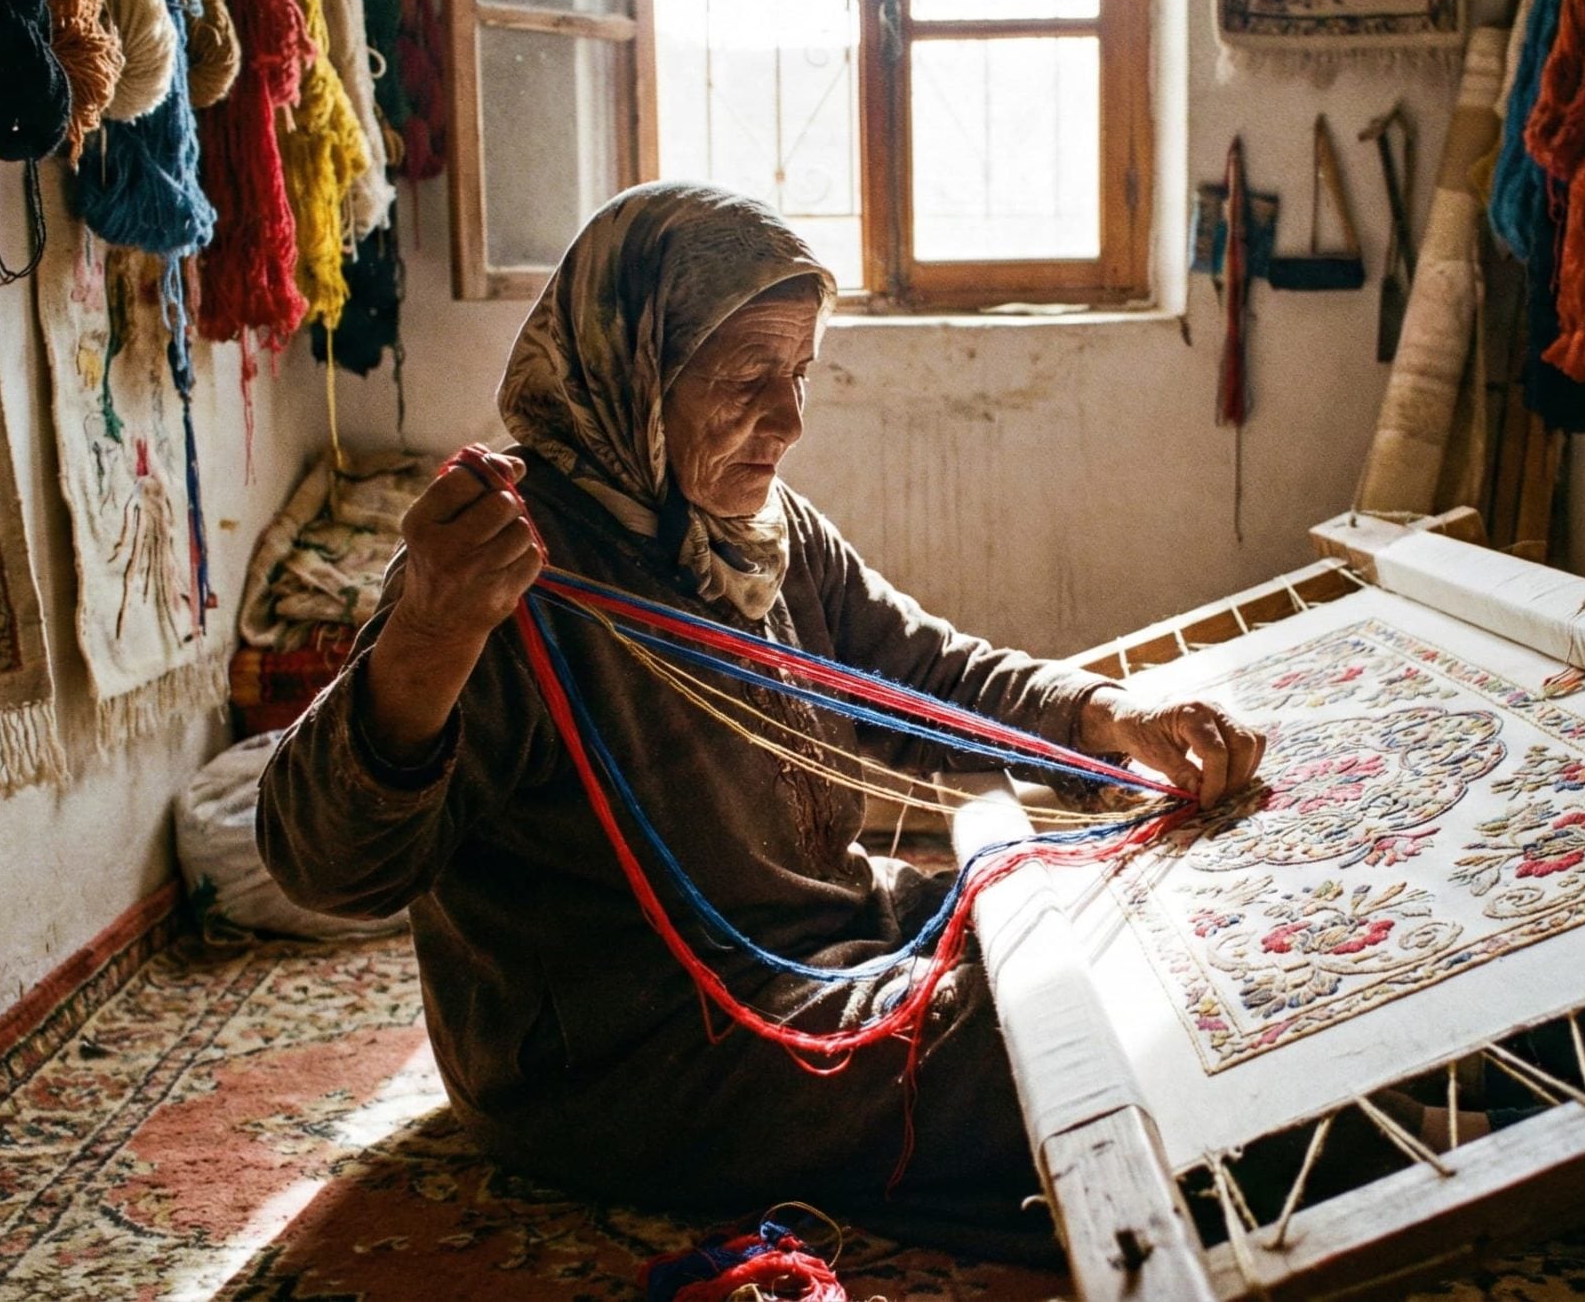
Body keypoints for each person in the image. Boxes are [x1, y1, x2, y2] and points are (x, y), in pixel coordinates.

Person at [257, 182, 1263, 1259]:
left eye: (798, 375)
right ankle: (1340, 1161)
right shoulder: (504, 573)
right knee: (1070, 1045)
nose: (789, 422)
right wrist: (422, 644)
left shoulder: (760, 530)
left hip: (829, 938)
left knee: (1117, 933)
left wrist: (1110, 712)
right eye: (747, 379)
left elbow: (922, 672)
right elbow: (327, 869)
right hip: (635, 1044)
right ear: (634, 369)